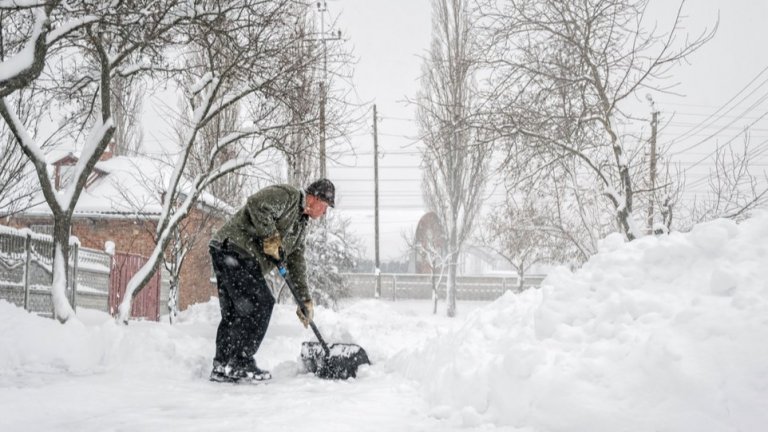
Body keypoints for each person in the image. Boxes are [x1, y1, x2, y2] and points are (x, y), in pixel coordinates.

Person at [207, 179, 335, 383]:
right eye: (326, 207)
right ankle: (240, 362)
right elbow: (257, 203)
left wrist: (305, 300)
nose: (324, 213)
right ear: (315, 198)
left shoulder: (300, 227)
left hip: (230, 252)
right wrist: (272, 239)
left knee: (234, 312)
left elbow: (297, 262)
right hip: (235, 249)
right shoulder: (289, 196)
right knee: (261, 302)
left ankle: (222, 365)